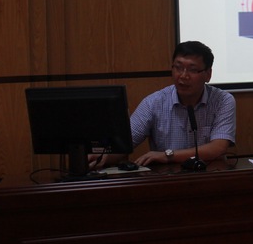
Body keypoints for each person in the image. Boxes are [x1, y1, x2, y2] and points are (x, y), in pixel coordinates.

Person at [91, 40, 236, 168]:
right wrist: (102, 156)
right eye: (178, 67)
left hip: (209, 177)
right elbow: (124, 143)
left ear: (208, 74)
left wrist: (168, 155)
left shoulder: (222, 101)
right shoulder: (154, 103)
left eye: (192, 70)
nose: (183, 75)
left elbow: (218, 148)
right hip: (167, 179)